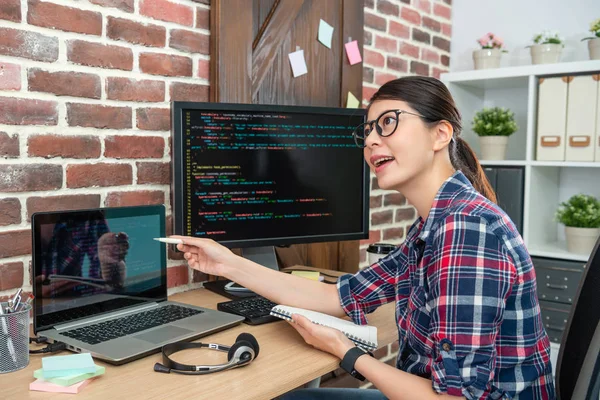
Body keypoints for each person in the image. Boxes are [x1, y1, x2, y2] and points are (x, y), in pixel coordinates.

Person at [173, 76, 555, 400]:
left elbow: (454, 398)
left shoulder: (466, 230)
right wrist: (223, 261)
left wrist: (346, 352)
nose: (371, 140)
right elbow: (336, 297)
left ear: (440, 134)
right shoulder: (433, 224)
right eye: (368, 130)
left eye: (387, 122)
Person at [37, 211, 130, 297]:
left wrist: (112, 265)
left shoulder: (90, 216)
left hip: (74, 302)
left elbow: (106, 282)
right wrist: (31, 290)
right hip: (34, 305)